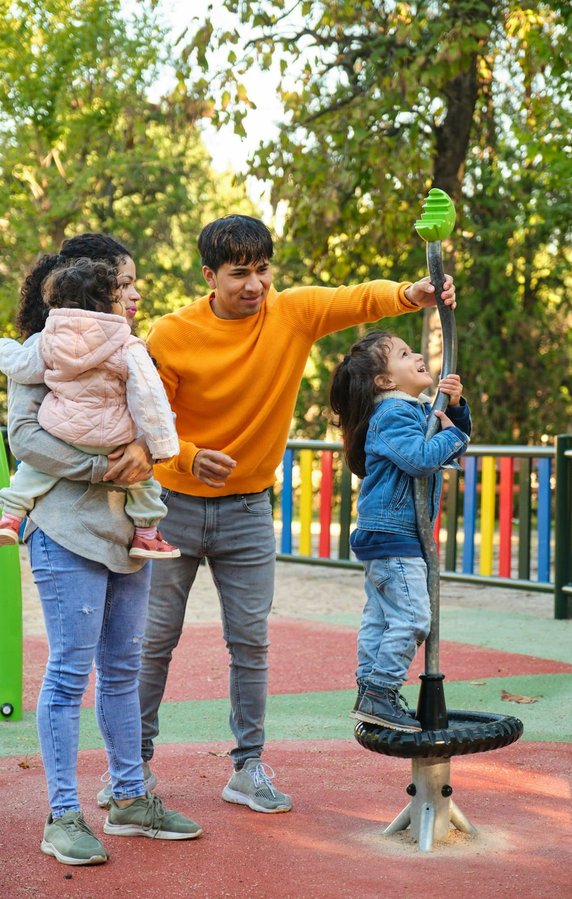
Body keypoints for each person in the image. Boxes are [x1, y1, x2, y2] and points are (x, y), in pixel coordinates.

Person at [98, 213, 459, 816]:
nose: (255, 284)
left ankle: (248, 767)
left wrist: (412, 293)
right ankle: (132, 769)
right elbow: (146, 415)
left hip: (247, 510)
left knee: (251, 643)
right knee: (154, 640)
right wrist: (188, 456)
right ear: (209, 276)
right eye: (240, 273)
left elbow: (352, 299)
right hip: (172, 507)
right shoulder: (173, 333)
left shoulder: (289, 313)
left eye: (262, 270)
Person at [5, 233, 201, 866]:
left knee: (122, 669)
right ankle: (62, 815)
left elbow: (149, 416)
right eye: (123, 285)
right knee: (69, 672)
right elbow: (24, 438)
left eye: (134, 284)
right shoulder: (46, 350)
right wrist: (104, 468)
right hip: (67, 532)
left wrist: (145, 450)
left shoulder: (124, 349)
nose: (134, 294)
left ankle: (129, 797)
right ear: (90, 291)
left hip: (126, 536)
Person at [330, 330, 471, 730]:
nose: (418, 356)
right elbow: (420, 458)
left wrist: (455, 410)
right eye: (405, 354)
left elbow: (446, 445)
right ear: (385, 380)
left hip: (387, 533)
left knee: (380, 619)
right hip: (395, 534)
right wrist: (453, 433)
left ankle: (369, 691)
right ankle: (380, 692)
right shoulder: (393, 413)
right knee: (412, 619)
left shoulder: (411, 409)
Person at [0, 257, 180, 560]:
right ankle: (146, 535)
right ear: (108, 302)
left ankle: (10, 516)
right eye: (121, 290)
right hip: (114, 441)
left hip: (63, 430)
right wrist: (158, 446)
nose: (132, 297)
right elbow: (149, 397)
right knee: (143, 484)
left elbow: (22, 367)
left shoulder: (50, 341)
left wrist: (4, 346)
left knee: (33, 471)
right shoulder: (127, 344)